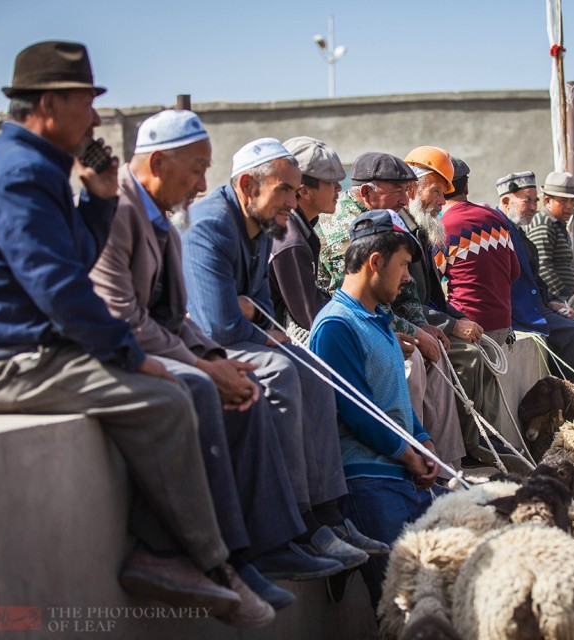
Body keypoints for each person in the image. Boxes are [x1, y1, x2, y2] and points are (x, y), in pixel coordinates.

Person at [0, 41, 267, 625]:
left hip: (38, 350)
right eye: (85, 102)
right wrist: (131, 356)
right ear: (49, 103)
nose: (96, 118)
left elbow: (65, 262)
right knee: (167, 397)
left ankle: (185, 555)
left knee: (177, 391)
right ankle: (196, 559)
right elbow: (60, 288)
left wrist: (96, 204)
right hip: (5, 360)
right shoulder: (19, 173)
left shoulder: (35, 167)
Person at [94, 111, 362, 612]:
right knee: (263, 374)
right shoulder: (194, 223)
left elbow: (218, 316)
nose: (200, 184)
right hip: (127, 351)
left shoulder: (245, 226)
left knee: (304, 366)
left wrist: (232, 350)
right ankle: (268, 540)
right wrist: (214, 358)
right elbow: (206, 321)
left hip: (178, 343)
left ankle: (319, 516)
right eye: (284, 191)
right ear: (246, 185)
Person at [182, 138, 388, 577]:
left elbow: (257, 310)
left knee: (314, 369)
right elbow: (218, 325)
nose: (293, 202)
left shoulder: (265, 223)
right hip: (202, 348)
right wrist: (259, 321)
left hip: (240, 336)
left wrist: (258, 317)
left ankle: (330, 515)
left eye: (296, 191)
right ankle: (294, 526)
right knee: (280, 372)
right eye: (285, 190)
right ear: (245, 185)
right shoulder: (210, 226)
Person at [310, 209, 439, 609]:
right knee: (404, 608)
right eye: (402, 266)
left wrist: (422, 439)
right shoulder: (336, 326)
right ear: (375, 262)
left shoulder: (379, 322)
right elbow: (357, 410)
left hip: (402, 477)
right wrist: (407, 454)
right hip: (368, 485)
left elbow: (393, 399)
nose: (406, 278)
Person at [318, 150, 463, 466]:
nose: (404, 198)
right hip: (348, 326)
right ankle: (405, 459)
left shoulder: (391, 218)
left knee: (436, 357)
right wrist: (412, 333)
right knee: (410, 367)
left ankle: (445, 468)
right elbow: (358, 299)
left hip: (378, 319)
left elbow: (405, 286)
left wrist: (422, 327)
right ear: (368, 193)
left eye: (408, 190)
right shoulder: (343, 228)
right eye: (397, 190)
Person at [401, 146, 509, 469]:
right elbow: (409, 302)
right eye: (436, 191)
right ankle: (469, 448)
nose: (440, 201)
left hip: (429, 323)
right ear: (414, 188)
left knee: (480, 351)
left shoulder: (422, 230)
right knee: (470, 356)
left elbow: (434, 296)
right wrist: (450, 326)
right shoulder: (403, 230)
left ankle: (481, 442)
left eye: (443, 193)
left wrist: (458, 318)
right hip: (413, 327)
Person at [494, 171, 574, 380]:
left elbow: (533, 277)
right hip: (519, 313)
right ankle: (572, 399)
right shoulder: (499, 231)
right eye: (527, 200)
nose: (533, 207)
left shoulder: (517, 230)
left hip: (535, 306)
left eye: (534, 201)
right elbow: (542, 268)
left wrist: (551, 301)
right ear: (506, 201)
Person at [439, 157, 521, 345]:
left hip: (467, 328)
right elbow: (514, 272)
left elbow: (430, 285)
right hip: (502, 325)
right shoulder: (495, 218)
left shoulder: (442, 227)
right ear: (466, 187)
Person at [268, 136, 342, 330]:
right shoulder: (289, 239)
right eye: (331, 181)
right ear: (304, 191)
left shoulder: (298, 226)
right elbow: (313, 317)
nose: (339, 188)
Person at [527, 171, 574, 301]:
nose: (569, 206)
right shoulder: (544, 223)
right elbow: (543, 267)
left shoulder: (558, 224)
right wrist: (566, 297)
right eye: (563, 201)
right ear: (547, 201)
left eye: (572, 201)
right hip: (553, 300)